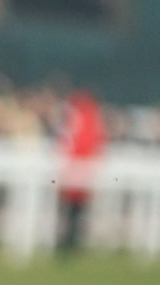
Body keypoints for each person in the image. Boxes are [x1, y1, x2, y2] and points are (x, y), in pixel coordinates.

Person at [55, 89, 105, 254]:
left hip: (74, 169)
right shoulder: (90, 117)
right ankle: (70, 243)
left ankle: (68, 243)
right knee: (75, 212)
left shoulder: (78, 116)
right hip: (80, 170)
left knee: (71, 211)